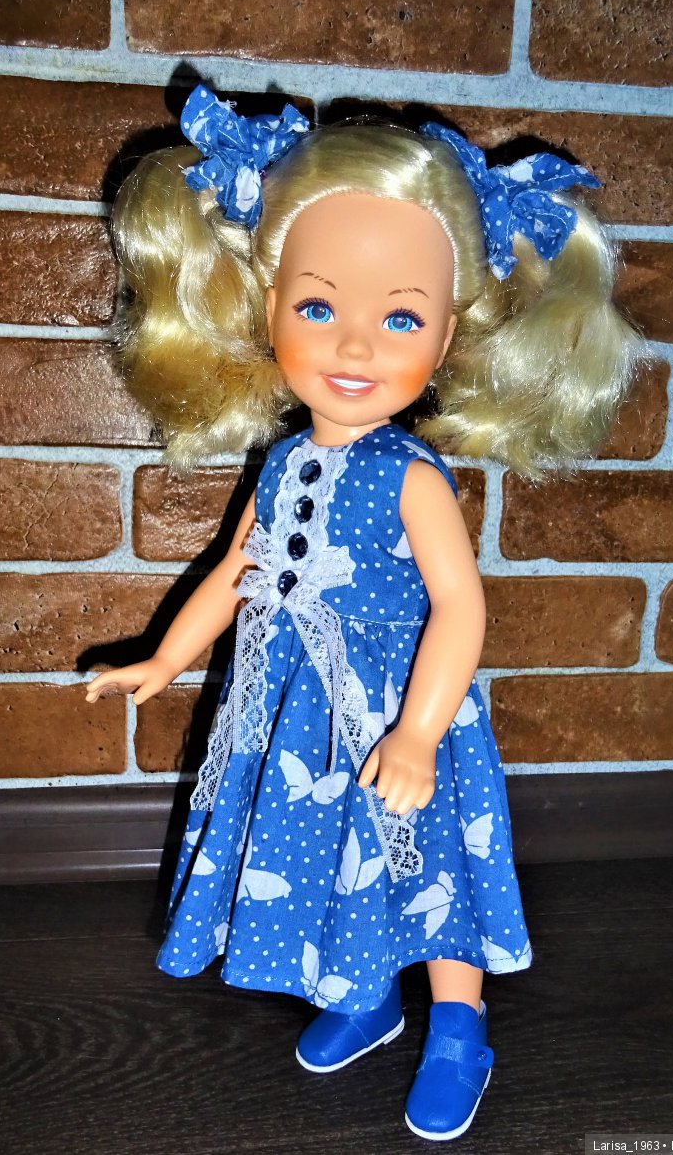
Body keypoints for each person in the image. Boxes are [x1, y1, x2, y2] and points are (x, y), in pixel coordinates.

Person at [85, 86, 641, 1142]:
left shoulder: (411, 476)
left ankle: (459, 1028)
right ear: (267, 309)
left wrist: (419, 731)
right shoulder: (284, 461)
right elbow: (238, 570)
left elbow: (460, 606)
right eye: (317, 308)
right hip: (296, 703)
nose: (355, 348)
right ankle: (367, 994)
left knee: (429, 866)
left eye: (400, 318)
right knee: (326, 845)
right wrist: (164, 658)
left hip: (398, 702)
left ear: (447, 335)